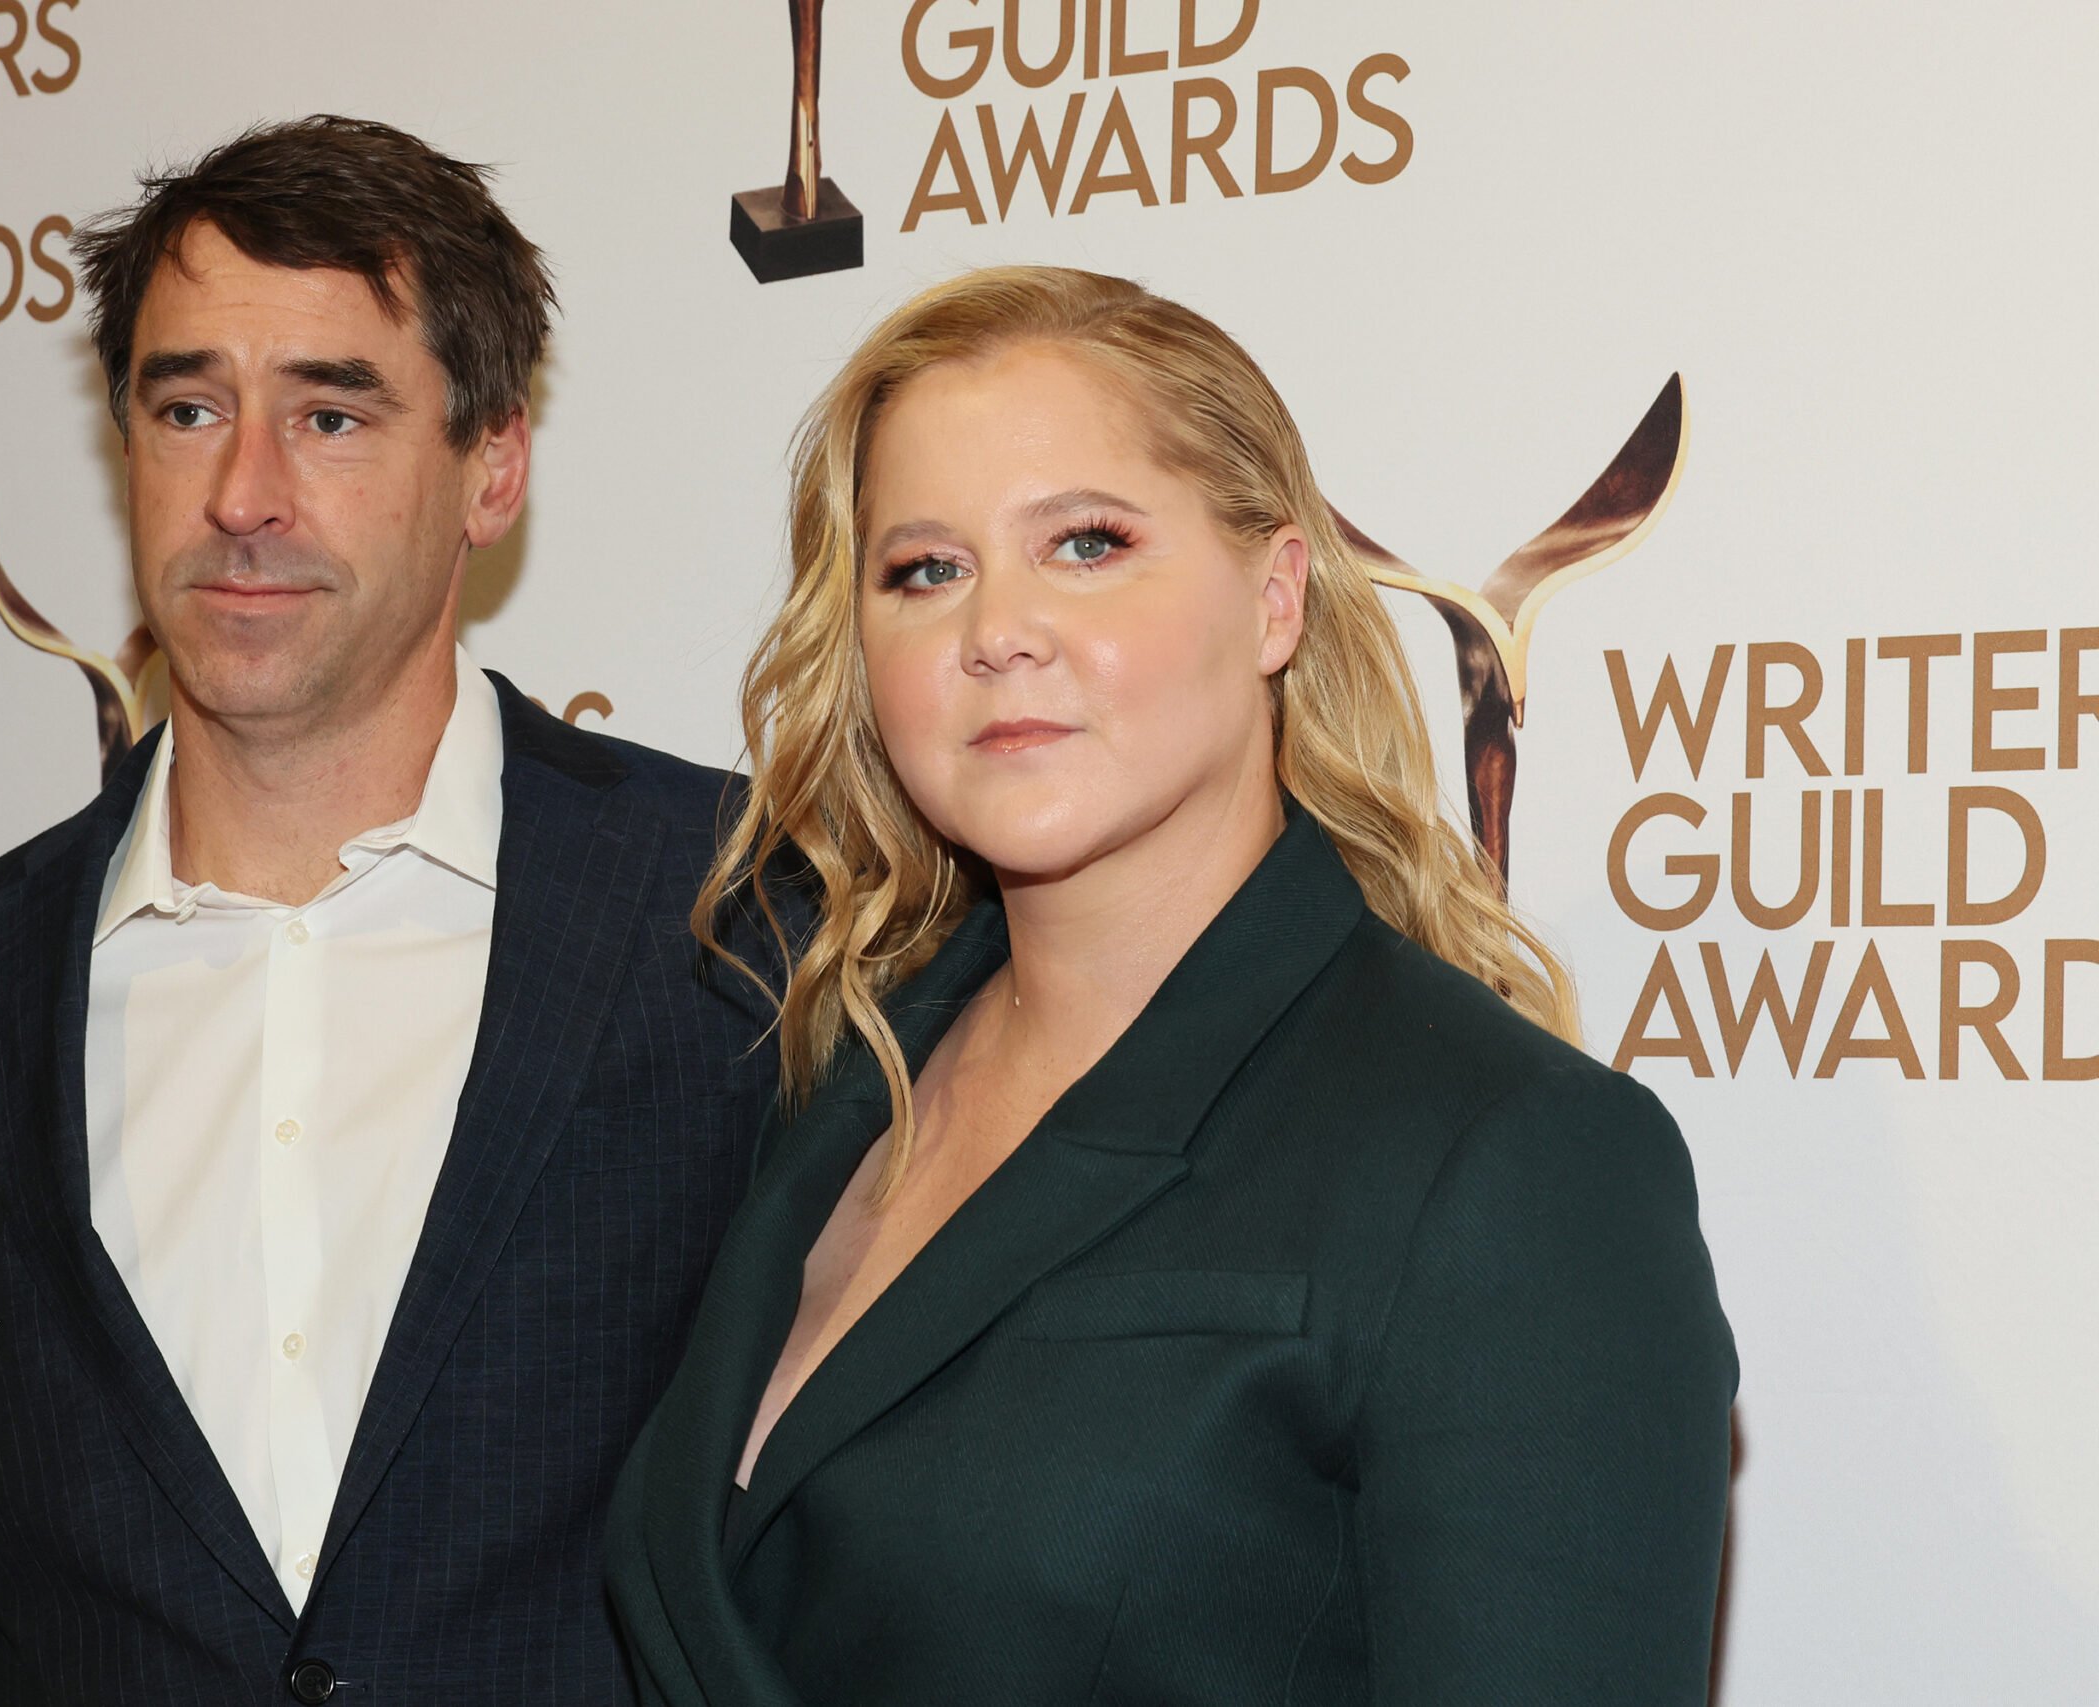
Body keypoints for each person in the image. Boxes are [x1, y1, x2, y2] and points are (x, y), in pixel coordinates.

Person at [0, 116, 786, 1707]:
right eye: (189, 405)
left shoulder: (744, 916)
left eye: (331, 415)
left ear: (492, 465)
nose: (242, 494)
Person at [603, 266, 1738, 1705]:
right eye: (924, 570)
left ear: (1275, 600)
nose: (994, 630)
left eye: (1085, 543)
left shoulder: (1506, 1162)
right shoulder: (835, 1083)